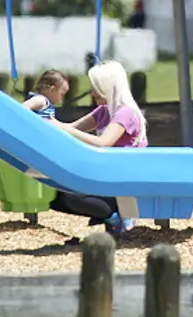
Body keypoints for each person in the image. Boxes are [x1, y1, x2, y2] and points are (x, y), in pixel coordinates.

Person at [48, 59, 147, 236]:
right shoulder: (103, 111)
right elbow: (72, 128)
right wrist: (48, 122)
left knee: (71, 197)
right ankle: (110, 216)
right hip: (106, 177)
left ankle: (116, 216)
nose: (92, 93)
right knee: (57, 198)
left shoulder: (125, 113)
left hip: (122, 185)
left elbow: (104, 142)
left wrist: (61, 128)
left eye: (97, 88)